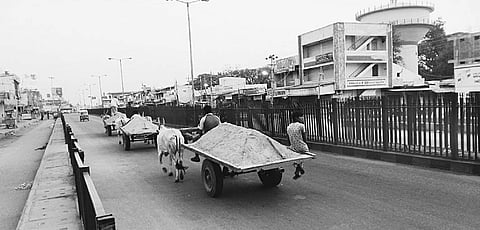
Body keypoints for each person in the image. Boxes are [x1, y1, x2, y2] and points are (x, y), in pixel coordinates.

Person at [287, 110, 308, 179]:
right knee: (302, 155)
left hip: (293, 147)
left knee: (294, 156)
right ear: (296, 118)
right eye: (301, 116)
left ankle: (297, 169)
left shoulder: (289, 127)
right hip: (302, 147)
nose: (303, 118)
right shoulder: (301, 126)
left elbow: (289, 139)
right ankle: (299, 168)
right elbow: (304, 138)